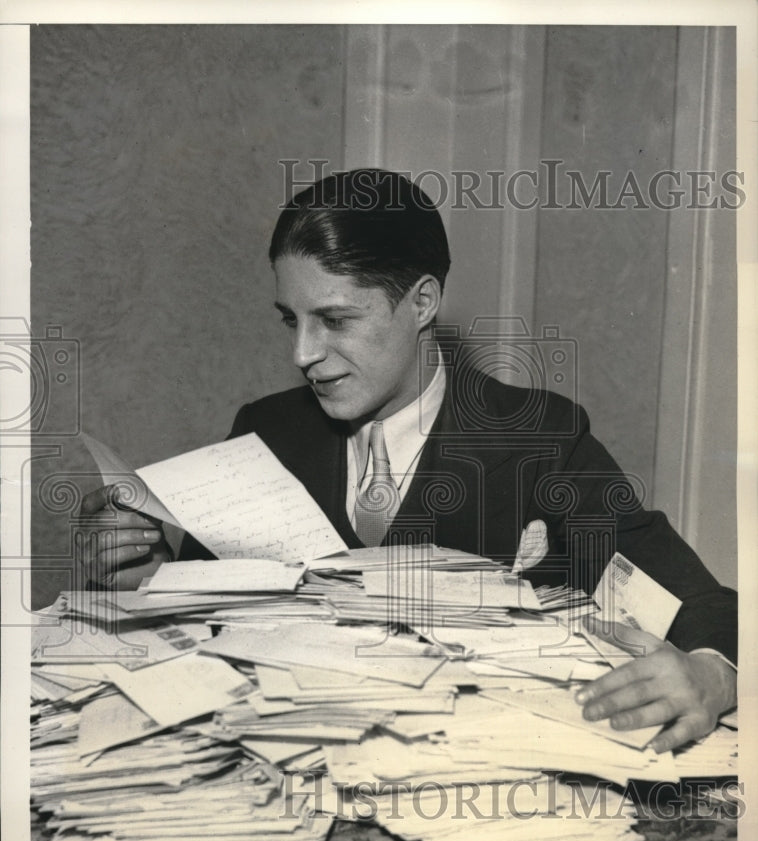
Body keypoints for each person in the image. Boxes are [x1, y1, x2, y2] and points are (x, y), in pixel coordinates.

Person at [78, 168, 738, 753]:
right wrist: (145, 574)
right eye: (291, 320)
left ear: (422, 301)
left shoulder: (538, 435)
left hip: (469, 786)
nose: (303, 353)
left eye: (334, 321)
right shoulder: (266, 428)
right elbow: (204, 625)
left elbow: (700, 601)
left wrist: (709, 674)